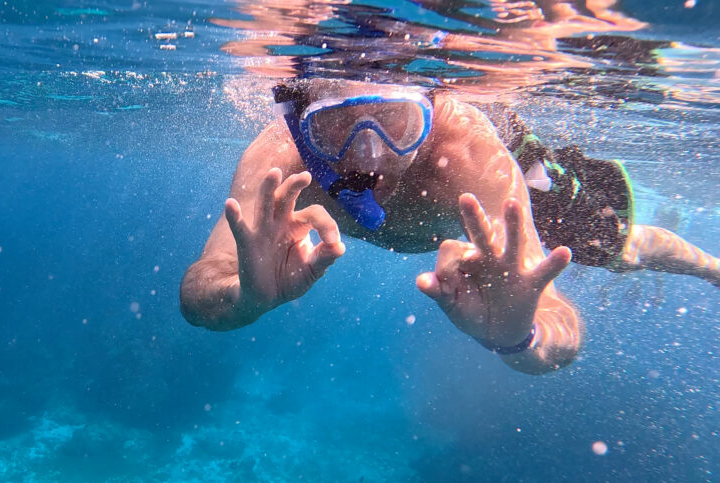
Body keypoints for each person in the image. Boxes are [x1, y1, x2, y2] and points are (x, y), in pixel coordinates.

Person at [179, 79, 720, 374]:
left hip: (520, 188)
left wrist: (519, 334)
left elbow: (558, 326)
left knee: (614, 248)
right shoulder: (281, 159)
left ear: (431, 112)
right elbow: (201, 290)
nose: (370, 155)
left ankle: (714, 268)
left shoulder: (467, 151)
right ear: (302, 123)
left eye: (398, 123)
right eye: (336, 124)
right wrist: (243, 300)